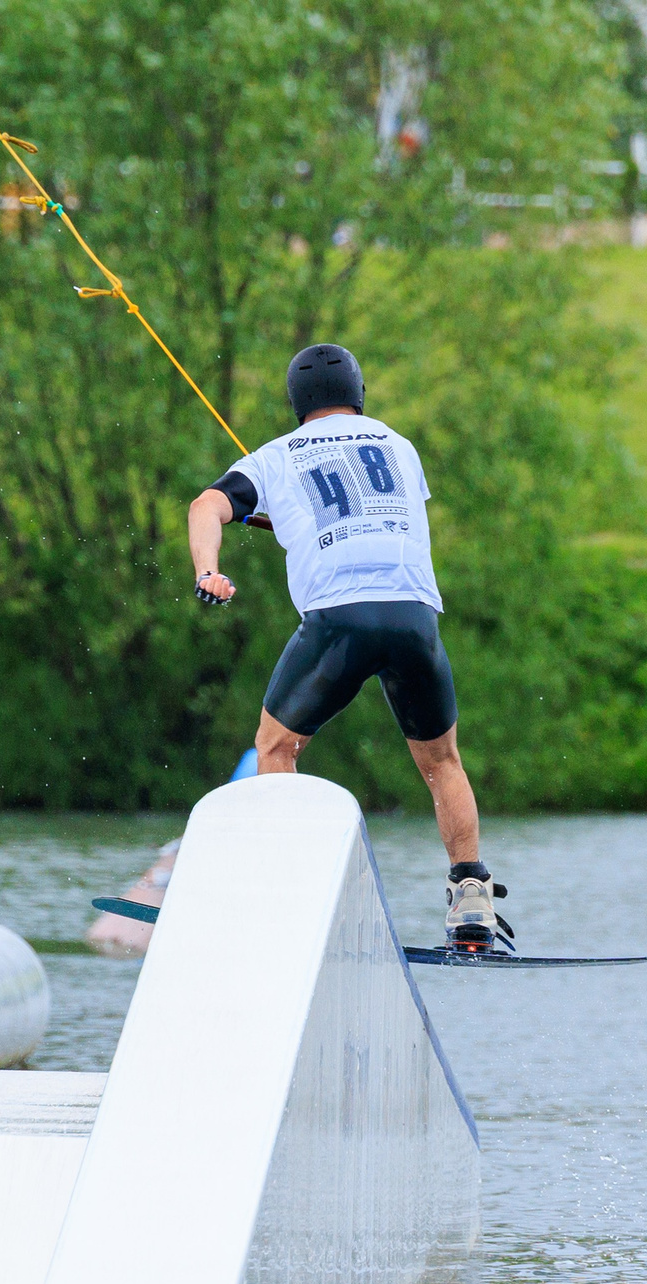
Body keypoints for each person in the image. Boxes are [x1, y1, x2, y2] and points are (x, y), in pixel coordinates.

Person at [186, 343, 511, 954]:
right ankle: (471, 898)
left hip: (338, 621)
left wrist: (209, 570)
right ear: (358, 394)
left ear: (295, 403)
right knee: (443, 763)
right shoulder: (398, 445)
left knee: (276, 748)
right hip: (415, 618)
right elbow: (372, 514)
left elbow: (207, 506)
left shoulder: (276, 457)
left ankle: (288, 900)